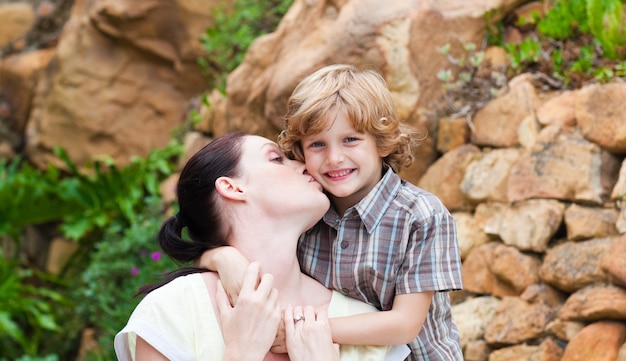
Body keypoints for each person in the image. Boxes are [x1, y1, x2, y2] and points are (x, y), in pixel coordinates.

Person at [201, 64, 464, 360]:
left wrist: (304, 330)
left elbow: (405, 325)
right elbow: (248, 242)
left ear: (381, 141)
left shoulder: (421, 216)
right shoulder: (307, 212)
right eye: (317, 144)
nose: (334, 158)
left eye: (350, 139)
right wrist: (223, 257)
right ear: (300, 150)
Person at [114, 132, 409, 361]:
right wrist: (242, 353)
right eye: (277, 158)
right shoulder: (174, 311)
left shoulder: (365, 327)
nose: (305, 166)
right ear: (233, 187)